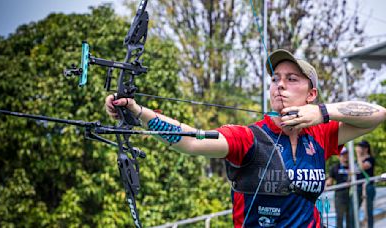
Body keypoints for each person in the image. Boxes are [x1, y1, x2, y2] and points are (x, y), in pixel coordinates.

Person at [105, 49, 386, 227]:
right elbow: (190, 141)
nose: (280, 85)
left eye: (292, 79)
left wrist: (323, 113)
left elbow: (377, 114)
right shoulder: (250, 138)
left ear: (311, 94)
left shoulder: (321, 134)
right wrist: (137, 111)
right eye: (276, 78)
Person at [326, 147, 353, 228]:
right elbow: (329, 182)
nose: (345, 156)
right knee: (340, 217)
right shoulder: (335, 167)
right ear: (339, 156)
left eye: (346, 154)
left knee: (350, 217)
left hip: (351, 193)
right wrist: (326, 183)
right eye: (343, 155)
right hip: (339, 194)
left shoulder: (352, 166)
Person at [355, 140, 376, 228]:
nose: (359, 149)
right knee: (354, 209)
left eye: (362, 147)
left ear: (366, 149)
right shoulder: (356, 160)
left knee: (368, 210)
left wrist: (358, 155)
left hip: (368, 187)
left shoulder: (370, 159)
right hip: (358, 187)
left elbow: (362, 167)